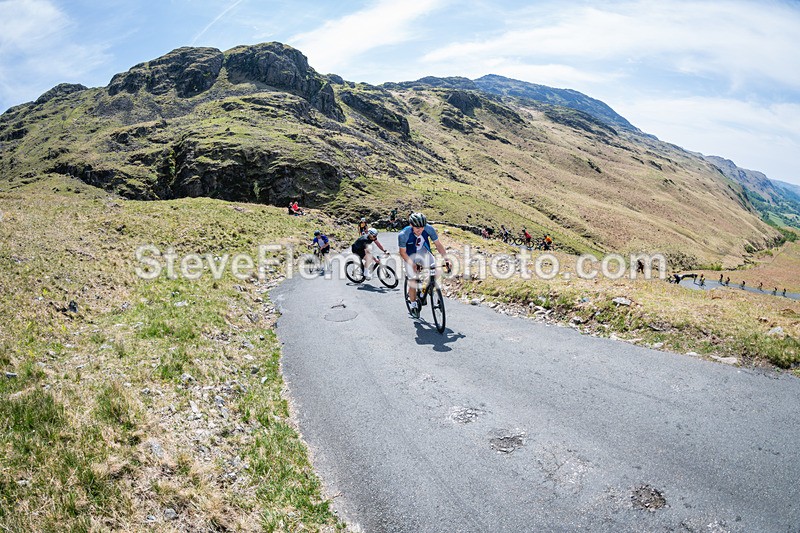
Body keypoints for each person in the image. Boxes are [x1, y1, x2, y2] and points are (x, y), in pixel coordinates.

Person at [399, 212, 450, 318]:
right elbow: (402, 253)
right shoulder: (403, 234)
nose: (420, 230)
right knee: (413, 280)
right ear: (411, 225)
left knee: (437, 270)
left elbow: (438, 245)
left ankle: (424, 291)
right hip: (409, 255)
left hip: (423, 252)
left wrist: (446, 259)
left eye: (422, 227)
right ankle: (413, 305)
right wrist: (412, 264)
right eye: (417, 228)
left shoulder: (429, 229)